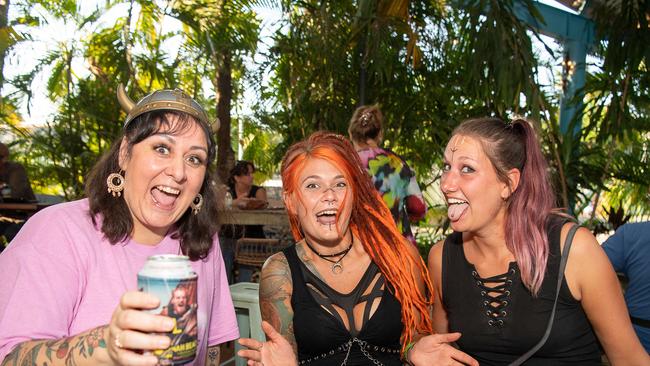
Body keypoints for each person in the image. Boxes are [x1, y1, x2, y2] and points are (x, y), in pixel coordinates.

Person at [0, 85, 238, 365]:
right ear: (125, 153)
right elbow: (11, 358)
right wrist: (103, 346)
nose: (178, 172)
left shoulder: (202, 243)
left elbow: (212, 348)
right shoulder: (57, 232)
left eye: (194, 158)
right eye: (162, 148)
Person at [238, 132, 478, 366]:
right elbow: (283, 355)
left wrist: (414, 348)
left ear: (354, 194)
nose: (330, 195)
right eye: (313, 185)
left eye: (340, 184)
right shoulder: (280, 273)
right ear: (290, 200)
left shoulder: (399, 256)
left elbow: (413, 337)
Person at [428, 117, 650, 364]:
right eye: (446, 167)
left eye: (467, 169)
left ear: (508, 183)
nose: (446, 184)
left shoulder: (574, 249)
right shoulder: (442, 258)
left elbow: (630, 359)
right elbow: (442, 350)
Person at [348, 105, 426, 246]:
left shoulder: (344, 165)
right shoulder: (398, 163)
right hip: (397, 248)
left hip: (357, 249)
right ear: (380, 134)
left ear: (350, 133)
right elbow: (418, 208)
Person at [602, 221, 650, 353]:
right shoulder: (631, 235)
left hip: (631, 343)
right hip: (633, 340)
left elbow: (585, 269)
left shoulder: (632, 234)